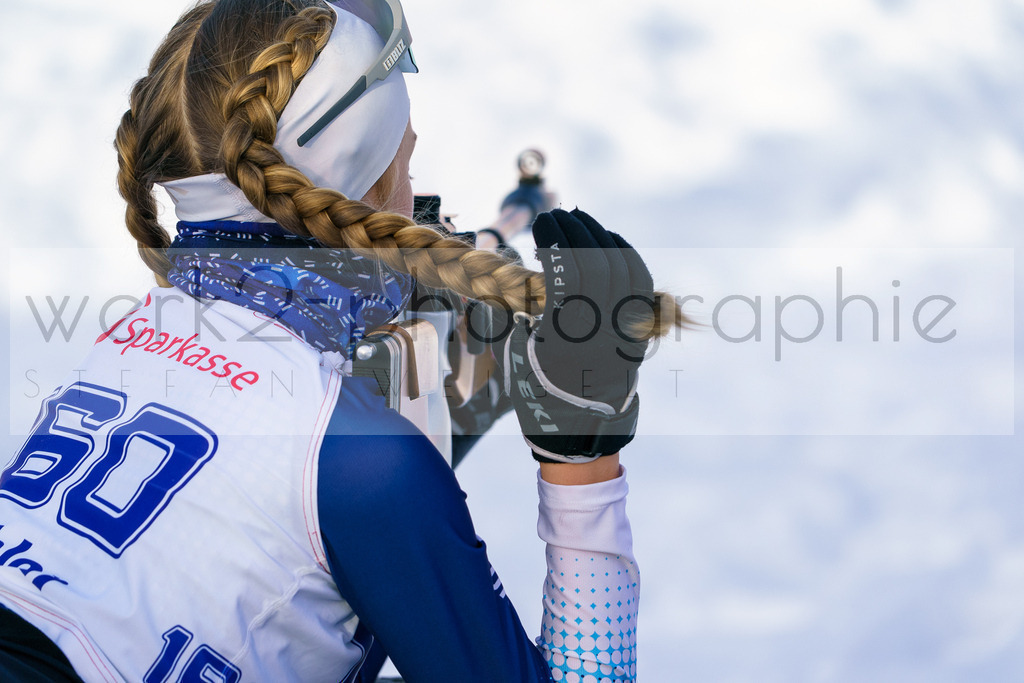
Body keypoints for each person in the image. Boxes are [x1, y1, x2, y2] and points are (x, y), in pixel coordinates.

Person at [0, 1, 682, 681]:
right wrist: (581, 458)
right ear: (370, 192)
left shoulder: (130, 339)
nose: (419, 196)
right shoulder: (365, 464)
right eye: (405, 165)